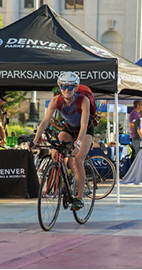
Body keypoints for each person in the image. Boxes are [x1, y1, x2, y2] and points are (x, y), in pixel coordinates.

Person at [30, 72, 92, 211]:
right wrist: (35, 140)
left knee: (78, 160)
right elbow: (45, 121)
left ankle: (79, 198)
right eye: (63, 86)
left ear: (75, 88)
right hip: (69, 128)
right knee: (55, 153)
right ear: (59, 87)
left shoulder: (83, 100)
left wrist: (78, 143)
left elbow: (83, 125)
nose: (66, 90)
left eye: (70, 87)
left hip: (85, 130)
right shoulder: (56, 101)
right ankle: (66, 175)